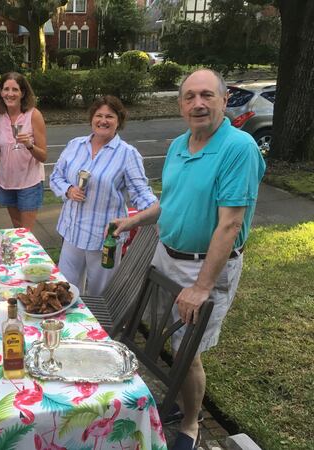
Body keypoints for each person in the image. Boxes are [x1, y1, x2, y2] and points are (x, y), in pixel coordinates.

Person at [113, 69, 266, 450]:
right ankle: (180, 405)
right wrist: (133, 220)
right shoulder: (181, 144)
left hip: (203, 268)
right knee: (168, 341)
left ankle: (193, 425)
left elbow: (229, 225)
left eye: (207, 95)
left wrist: (202, 287)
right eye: (189, 97)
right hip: (167, 257)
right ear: (181, 105)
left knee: (187, 352)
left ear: (224, 99)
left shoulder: (238, 147)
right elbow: (171, 204)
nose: (198, 103)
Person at [49, 95, 159, 297]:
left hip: (103, 237)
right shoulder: (75, 145)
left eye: (110, 116)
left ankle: (99, 328)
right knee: (65, 290)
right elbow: (56, 176)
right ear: (92, 118)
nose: (103, 120)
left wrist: (156, 211)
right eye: (99, 115)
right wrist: (68, 190)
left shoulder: (127, 154)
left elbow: (141, 192)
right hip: (72, 231)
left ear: (119, 121)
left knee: (101, 294)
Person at [0, 72, 47, 230]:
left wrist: (29, 145)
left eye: (15, 90)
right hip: (7, 183)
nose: (10, 94)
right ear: (1, 92)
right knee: (16, 229)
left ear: (23, 93)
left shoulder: (34, 115)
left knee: (26, 233)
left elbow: (43, 156)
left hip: (29, 183)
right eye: (6, 89)